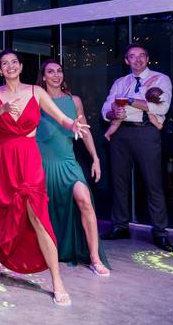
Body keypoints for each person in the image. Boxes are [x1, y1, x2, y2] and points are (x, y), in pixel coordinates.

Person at [0, 50, 89, 307]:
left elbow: (61, 118)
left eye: (14, 62)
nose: (10, 66)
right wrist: (2, 108)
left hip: (28, 158)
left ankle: (57, 281)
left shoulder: (36, 92)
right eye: (4, 63)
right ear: (0, 70)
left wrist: (73, 125)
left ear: (21, 66)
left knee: (38, 216)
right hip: (0, 158)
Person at [37, 60, 110, 275]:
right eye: (50, 72)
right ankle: (43, 252)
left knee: (84, 200)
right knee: (42, 210)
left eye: (59, 71)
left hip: (68, 162)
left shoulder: (74, 100)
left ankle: (95, 258)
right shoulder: (36, 99)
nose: (56, 75)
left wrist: (95, 158)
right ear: (43, 76)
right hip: (41, 162)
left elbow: (84, 131)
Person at [101, 44, 173, 252]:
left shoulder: (160, 79)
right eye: (133, 56)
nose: (138, 59)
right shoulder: (120, 82)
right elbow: (106, 109)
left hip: (146, 131)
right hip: (120, 134)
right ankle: (120, 226)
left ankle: (160, 232)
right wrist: (113, 113)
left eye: (142, 55)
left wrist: (130, 100)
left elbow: (162, 107)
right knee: (119, 182)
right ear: (127, 61)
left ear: (148, 58)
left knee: (153, 183)